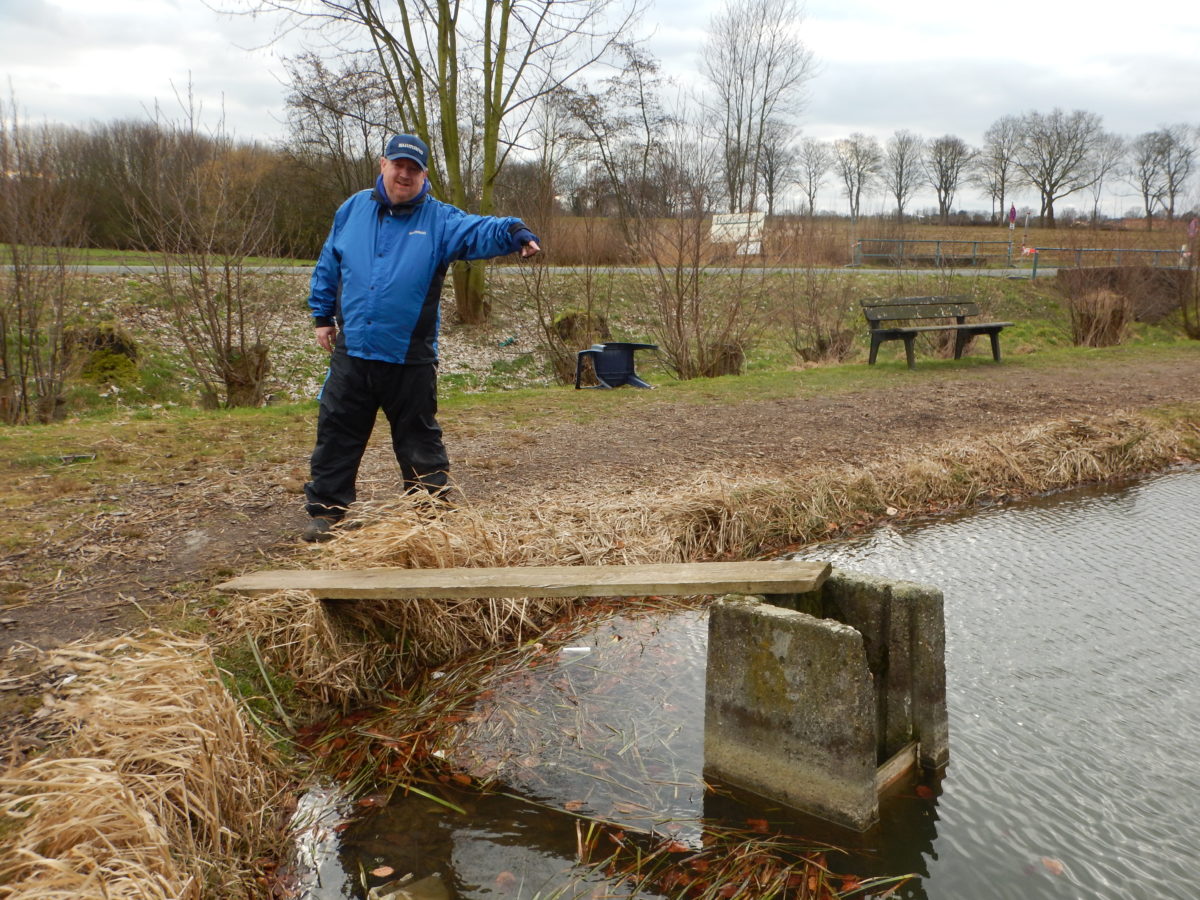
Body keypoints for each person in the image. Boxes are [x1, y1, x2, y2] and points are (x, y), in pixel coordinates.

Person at [301, 133, 540, 542]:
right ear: (383, 165)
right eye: (398, 166)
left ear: (423, 174)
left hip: (408, 356)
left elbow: (479, 230)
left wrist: (514, 231)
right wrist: (322, 315)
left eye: (413, 169)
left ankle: (430, 514)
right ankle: (326, 512)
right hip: (353, 350)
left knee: (418, 440)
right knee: (336, 434)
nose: (404, 174)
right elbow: (329, 263)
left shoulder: (439, 220)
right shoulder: (352, 210)